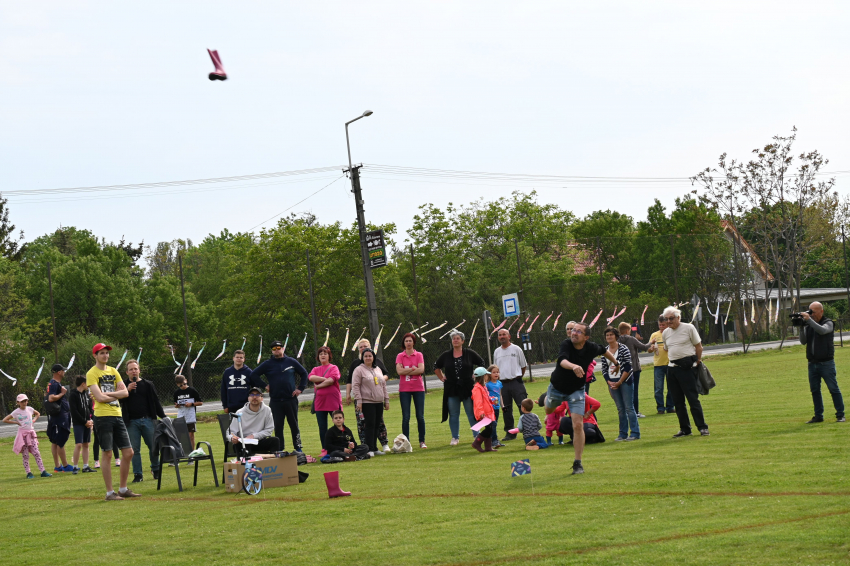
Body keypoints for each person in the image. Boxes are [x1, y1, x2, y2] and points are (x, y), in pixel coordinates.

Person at [545, 322, 618, 475]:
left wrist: (616, 363)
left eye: (578, 331)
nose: (574, 332)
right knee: (549, 409)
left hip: (577, 391)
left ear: (586, 337)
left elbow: (604, 351)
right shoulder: (566, 344)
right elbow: (562, 361)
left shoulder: (591, 347)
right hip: (557, 389)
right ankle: (546, 401)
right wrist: (574, 366)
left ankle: (578, 463)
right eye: (573, 330)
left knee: (578, 425)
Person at [86, 343, 140, 500]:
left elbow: (125, 393)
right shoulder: (92, 373)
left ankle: (123, 489)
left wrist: (108, 394)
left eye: (106, 353)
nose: (105, 355)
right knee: (108, 454)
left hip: (117, 414)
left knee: (128, 452)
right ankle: (110, 493)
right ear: (95, 355)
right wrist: (115, 394)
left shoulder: (113, 370)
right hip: (102, 417)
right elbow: (101, 398)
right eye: (101, 353)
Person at [250, 339, 309, 452]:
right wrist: (265, 385)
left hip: (290, 399)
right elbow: (254, 375)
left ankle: (298, 447)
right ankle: (279, 448)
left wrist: (300, 389)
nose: (277, 350)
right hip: (276, 401)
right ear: (272, 351)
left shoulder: (291, 361)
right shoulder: (267, 364)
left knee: (294, 425)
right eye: (274, 349)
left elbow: (304, 373)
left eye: (278, 348)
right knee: (278, 426)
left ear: (283, 348)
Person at [661, 306, 708, 437]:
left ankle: (702, 427)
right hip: (672, 369)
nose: (669, 321)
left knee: (693, 399)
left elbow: (698, 346)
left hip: (687, 369)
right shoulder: (665, 333)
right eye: (667, 319)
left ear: (678, 318)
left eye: (671, 318)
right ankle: (685, 428)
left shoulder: (689, 328)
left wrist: (697, 361)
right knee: (678, 401)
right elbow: (666, 348)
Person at [434, 331, 485, 445]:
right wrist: (441, 377)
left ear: (463, 341)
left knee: (471, 413)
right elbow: (436, 366)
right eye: (453, 339)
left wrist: (476, 375)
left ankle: (477, 435)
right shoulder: (446, 355)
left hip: (467, 387)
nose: (455, 340)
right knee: (453, 414)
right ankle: (455, 437)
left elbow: (481, 362)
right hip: (452, 388)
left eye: (458, 338)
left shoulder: (469, 353)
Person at [799, 302, 845, 423]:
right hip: (812, 363)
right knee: (815, 391)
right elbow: (803, 341)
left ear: (821, 311)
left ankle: (840, 415)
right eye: (810, 311)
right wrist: (801, 327)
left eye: (814, 311)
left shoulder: (828, 323)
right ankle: (818, 416)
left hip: (826, 363)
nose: (811, 314)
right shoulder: (809, 325)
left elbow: (822, 331)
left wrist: (809, 321)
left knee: (833, 389)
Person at [121, 360, 165, 483]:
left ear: (139, 370)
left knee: (153, 446)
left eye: (135, 369)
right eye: (131, 369)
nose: (133, 371)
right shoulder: (123, 385)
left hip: (148, 420)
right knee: (134, 450)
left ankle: (155, 469)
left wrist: (163, 416)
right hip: (131, 422)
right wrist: (127, 391)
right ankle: (138, 474)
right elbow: (118, 402)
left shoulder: (148, 384)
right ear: (127, 372)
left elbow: (156, 402)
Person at [346, 339, 390, 452]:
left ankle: (375, 448)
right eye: (365, 356)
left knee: (376, 425)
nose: (368, 358)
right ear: (362, 357)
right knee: (369, 425)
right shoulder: (358, 369)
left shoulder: (378, 368)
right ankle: (369, 449)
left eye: (370, 356)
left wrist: (386, 400)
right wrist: (359, 401)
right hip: (366, 402)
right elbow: (355, 386)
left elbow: (383, 384)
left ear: (373, 357)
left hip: (378, 401)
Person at [602, 325, 639, 441]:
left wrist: (620, 381)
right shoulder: (605, 350)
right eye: (607, 335)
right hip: (612, 383)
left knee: (629, 407)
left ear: (616, 336)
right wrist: (609, 382)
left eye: (611, 335)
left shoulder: (623, 349)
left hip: (625, 381)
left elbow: (628, 367)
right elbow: (604, 369)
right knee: (620, 409)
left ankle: (635, 433)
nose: (609, 337)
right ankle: (622, 434)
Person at [3, 394, 51, 478]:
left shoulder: (30, 409)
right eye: (22, 401)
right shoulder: (16, 412)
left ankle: (43, 471)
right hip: (23, 435)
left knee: (36, 453)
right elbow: (5, 420)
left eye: (25, 401)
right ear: (18, 402)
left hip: (31, 434)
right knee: (25, 455)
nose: (24, 403)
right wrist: (16, 422)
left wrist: (34, 420)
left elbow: (37, 414)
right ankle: (28, 472)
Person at [493, 328, 528, 442]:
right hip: (502, 384)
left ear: (509, 336)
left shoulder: (516, 349)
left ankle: (528, 430)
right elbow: (495, 369)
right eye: (500, 335)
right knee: (506, 409)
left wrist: (517, 377)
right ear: (498, 337)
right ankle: (510, 432)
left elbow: (523, 366)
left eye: (504, 334)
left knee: (523, 406)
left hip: (516, 382)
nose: (502, 336)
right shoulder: (497, 351)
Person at [228, 386, 281, 457]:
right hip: (243, 443)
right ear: (248, 398)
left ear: (261, 398)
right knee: (245, 444)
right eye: (252, 395)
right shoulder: (240, 412)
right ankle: (248, 466)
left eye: (257, 395)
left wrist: (253, 436)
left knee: (275, 440)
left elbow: (269, 430)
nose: (254, 397)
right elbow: (231, 432)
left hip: (259, 441)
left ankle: (274, 464)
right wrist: (232, 438)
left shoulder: (267, 410)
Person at [396, 332, 427, 449]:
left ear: (414, 342)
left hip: (418, 388)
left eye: (410, 341)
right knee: (406, 417)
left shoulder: (419, 355)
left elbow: (421, 370)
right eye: (406, 341)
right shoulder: (400, 356)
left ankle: (422, 441)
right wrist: (413, 369)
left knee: (420, 416)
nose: (408, 343)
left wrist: (406, 370)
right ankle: (406, 441)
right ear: (403, 343)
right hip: (404, 389)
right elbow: (399, 372)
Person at [309, 346, 342, 454]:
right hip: (320, 403)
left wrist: (318, 386)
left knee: (338, 424)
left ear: (329, 356)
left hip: (333, 401)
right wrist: (324, 379)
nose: (323, 355)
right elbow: (311, 377)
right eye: (320, 354)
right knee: (322, 427)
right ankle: (325, 448)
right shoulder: (315, 369)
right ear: (318, 357)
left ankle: (339, 446)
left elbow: (331, 381)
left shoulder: (334, 367)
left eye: (325, 353)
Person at [618, 321, 651, 418]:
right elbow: (644, 347)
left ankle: (625, 412)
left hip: (622, 370)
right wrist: (651, 342)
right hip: (634, 368)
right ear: (628, 331)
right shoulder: (632, 339)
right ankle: (635, 411)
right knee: (634, 391)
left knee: (624, 391)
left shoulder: (617, 340)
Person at [46, 363, 72, 473]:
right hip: (59, 418)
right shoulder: (54, 384)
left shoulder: (53, 383)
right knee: (60, 441)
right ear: (59, 372)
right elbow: (51, 398)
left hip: (59, 416)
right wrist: (62, 394)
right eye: (63, 370)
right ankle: (65, 466)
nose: (65, 372)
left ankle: (57, 466)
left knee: (55, 441)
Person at [221, 349, 261, 414]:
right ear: (233, 358)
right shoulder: (227, 372)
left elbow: (256, 388)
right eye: (237, 357)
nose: (239, 359)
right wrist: (225, 406)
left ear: (244, 359)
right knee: (233, 424)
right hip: (231, 405)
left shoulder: (249, 372)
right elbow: (223, 390)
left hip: (246, 405)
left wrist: (253, 401)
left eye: (241, 357)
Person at [649, 315, 675, 414]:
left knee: (671, 387)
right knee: (658, 388)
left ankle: (670, 407)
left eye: (663, 325)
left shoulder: (671, 334)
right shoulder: (654, 335)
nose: (661, 327)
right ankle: (660, 408)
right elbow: (649, 348)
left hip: (670, 364)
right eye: (660, 325)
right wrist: (651, 348)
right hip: (658, 365)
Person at [69, 376, 95, 474]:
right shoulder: (73, 395)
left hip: (87, 423)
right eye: (87, 383)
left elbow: (90, 408)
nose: (88, 385)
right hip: (78, 423)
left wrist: (91, 420)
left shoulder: (86, 395)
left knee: (86, 444)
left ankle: (86, 466)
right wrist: (84, 421)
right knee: (79, 444)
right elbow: (74, 411)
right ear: (83, 384)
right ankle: (75, 467)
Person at [470, 367, 497, 452]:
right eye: (486, 375)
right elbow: (478, 402)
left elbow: (486, 398)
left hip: (488, 412)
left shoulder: (483, 387)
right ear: (483, 376)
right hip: (483, 413)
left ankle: (488, 447)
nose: (487, 376)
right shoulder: (477, 388)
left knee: (491, 428)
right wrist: (481, 412)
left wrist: (492, 400)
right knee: (489, 428)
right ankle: (477, 443)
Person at [173, 375, 202, 447]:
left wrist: (191, 404)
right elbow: (175, 404)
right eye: (180, 385)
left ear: (186, 380)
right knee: (181, 436)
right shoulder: (176, 393)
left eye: (184, 384)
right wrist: (177, 406)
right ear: (177, 385)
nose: (183, 386)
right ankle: (182, 451)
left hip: (190, 416)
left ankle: (191, 452)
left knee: (190, 435)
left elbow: (200, 402)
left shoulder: (192, 390)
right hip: (181, 416)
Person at [485, 365, 505, 448]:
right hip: (490, 408)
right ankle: (493, 441)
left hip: (497, 408)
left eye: (497, 372)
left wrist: (502, 406)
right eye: (494, 372)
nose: (496, 374)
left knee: (494, 424)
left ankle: (494, 440)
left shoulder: (499, 383)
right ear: (489, 374)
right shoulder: (488, 385)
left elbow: (500, 395)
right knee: (492, 424)